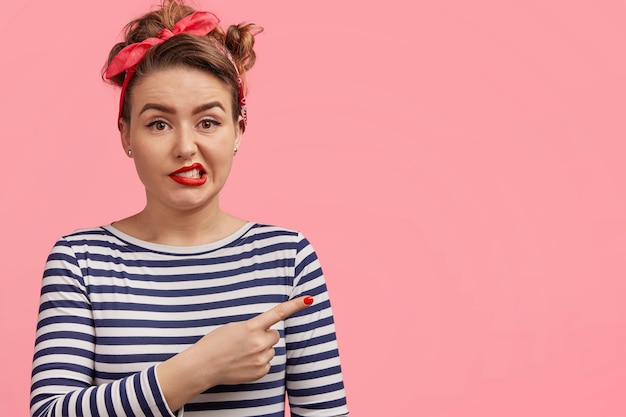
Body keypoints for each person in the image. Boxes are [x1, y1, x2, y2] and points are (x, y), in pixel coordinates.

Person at [29, 1, 349, 416]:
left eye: (208, 122)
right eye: (158, 123)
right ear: (126, 134)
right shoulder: (80, 260)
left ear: (238, 129)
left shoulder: (287, 258)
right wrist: (199, 368)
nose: (185, 148)